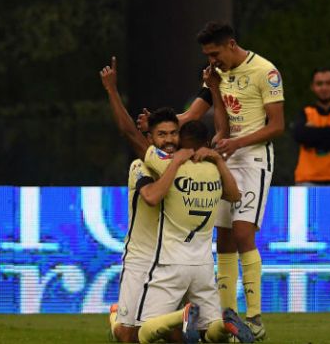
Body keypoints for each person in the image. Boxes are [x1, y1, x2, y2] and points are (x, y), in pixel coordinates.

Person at [140, 22, 285, 340]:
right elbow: (193, 117)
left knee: (244, 233)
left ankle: (255, 316)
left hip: (254, 158)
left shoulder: (265, 72)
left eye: (214, 53)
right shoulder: (215, 75)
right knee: (224, 238)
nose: (211, 60)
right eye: (207, 55)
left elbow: (277, 126)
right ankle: (229, 317)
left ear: (231, 44)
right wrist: (154, 125)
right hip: (226, 153)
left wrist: (236, 143)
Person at [100, 57, 255, 344]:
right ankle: (115, 317)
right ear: (150, 137)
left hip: (170, 260)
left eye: (174, 134)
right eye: (162, 134)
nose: (169, 140)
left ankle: (184, 317)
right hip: (142, 258)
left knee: (172, 335)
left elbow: (222, 133)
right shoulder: (145, 165)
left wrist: (213, 91)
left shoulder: (190, 162)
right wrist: (111, 90)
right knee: (128, 337)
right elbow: (131, 136)